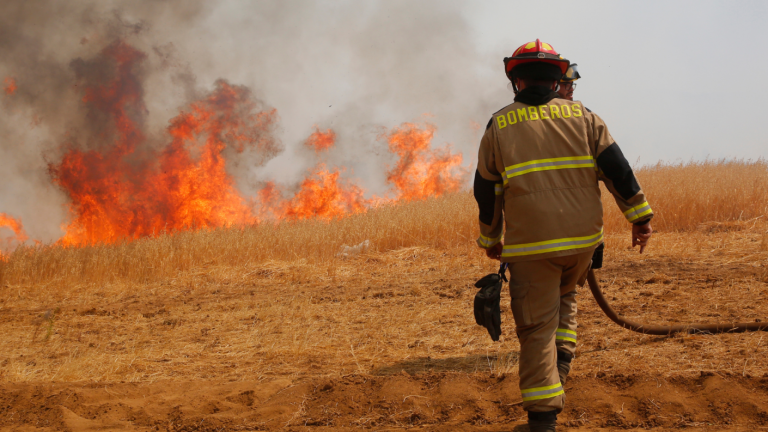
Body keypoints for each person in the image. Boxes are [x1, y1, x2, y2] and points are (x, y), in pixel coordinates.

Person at [473, 39, 653, 432]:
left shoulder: (499, 125)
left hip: (533, 249)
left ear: (516, 80)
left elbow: (487, 189)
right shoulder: (585, 117)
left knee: (536, 328)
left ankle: (542, 422)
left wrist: (491, 239)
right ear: (557, 80)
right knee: (566, 297)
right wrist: (639, 217)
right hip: (582, 245)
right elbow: (617, 170)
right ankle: (562, 367)